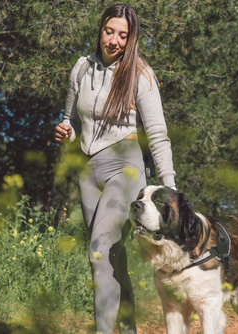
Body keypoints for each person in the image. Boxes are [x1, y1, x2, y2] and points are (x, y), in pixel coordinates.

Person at [55, 4, 176, 333]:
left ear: (131, 38)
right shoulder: (81, 69)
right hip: (88, 173)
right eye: (110, 31)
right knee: (111, 259)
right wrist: (67, 132)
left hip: (125, 168)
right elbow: (72, 121)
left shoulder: (140, 74)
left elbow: (158, 134)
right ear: (100, 30)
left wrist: (169, 186)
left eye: (123, 35)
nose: (115, 40)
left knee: (100, 249)